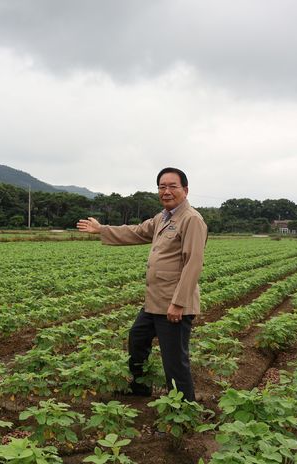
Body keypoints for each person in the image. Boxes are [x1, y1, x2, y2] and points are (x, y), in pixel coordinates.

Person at [76, 167, 207, 401]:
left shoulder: (191, 220)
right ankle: (140, 388)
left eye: (172, 186)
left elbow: (193, 263)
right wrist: (101, 229)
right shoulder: (163, 217)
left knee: (175, 360)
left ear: (185, 190)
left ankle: (183, 410)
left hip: (174, 303)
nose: (166, 191)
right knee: (137, 339)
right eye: (161, 187)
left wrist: (179, 303)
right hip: (154, 301)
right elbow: (136, 232)